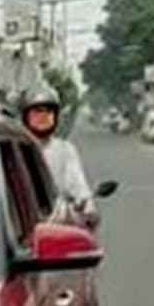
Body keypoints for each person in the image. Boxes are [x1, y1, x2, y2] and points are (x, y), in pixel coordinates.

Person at [19, 84, 97, 225]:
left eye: (48, 112)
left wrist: (88, 210)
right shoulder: (14, 147)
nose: (43, 118)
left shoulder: (64, 150)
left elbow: (78, 185)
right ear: (26, 116)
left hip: (54, 221)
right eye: (37, 113)